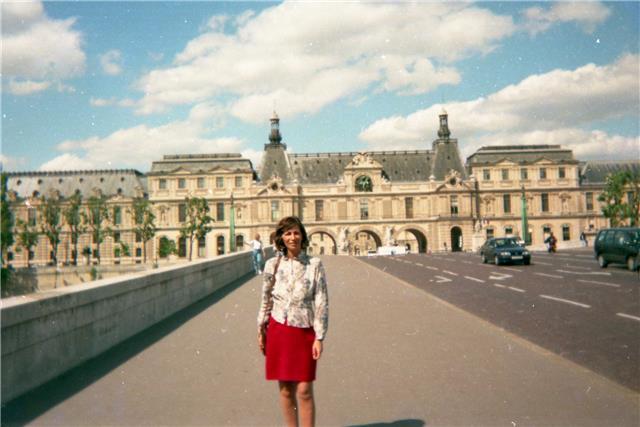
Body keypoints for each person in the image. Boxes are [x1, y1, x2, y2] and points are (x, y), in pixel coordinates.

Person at [257, 216, 329, 427]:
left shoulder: (314, 264)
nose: (292, 237)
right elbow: (265, 299)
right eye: (288, 233)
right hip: (279, 328)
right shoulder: (272, 264)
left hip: (305, 329)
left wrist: (320, 336)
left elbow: (322, 301)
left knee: (304, 390)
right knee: (286, 389)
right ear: (281, 238)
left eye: (296, 232)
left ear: (302, 235)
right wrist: (261, 329)